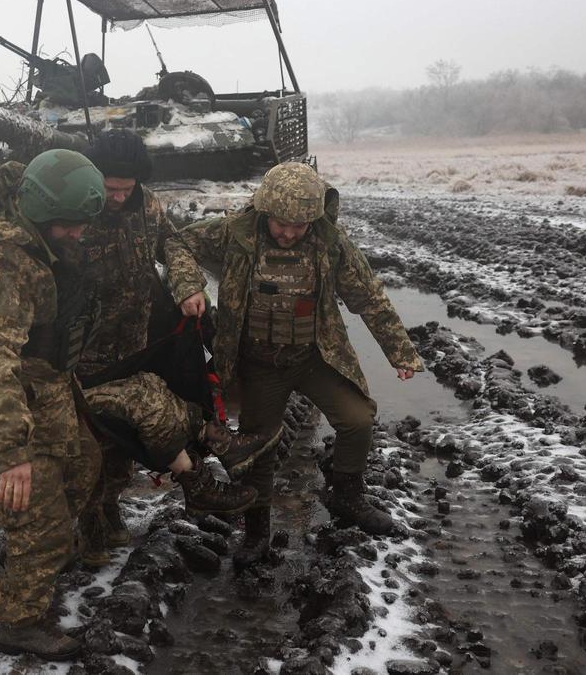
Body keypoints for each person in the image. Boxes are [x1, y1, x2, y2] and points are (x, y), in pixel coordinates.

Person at [182, 163, 424, 564]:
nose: (290, 233)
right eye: (282, 224)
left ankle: (347, 496)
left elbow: (368, 296)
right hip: (259, 363)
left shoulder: (330, 242)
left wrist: (400, 351)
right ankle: (256, 530)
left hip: (314, 356)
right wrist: (188, 285)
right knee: (259, 446)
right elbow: (177, 243)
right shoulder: (233, 233)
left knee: (358, 419)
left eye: (300, 225)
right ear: (265, 210)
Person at [74, 130, 279, 561]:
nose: (116, 197)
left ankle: (109, 508)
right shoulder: (77, 210)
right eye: (109, 188)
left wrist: (187, 286)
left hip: (135, 342)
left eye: (124, 189)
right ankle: (89, 527)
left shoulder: (147, 205)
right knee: (91, 443)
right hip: (84, 352)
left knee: (123, 441)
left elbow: (173, 244)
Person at [0, 151, 104, 662]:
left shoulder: (39, 242)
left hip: (38, 392)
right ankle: (18, 622)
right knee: (41, 522)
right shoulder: (3, 264)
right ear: (43, 211)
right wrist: (11, 453)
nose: (78, 233)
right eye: (70, 224)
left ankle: (33, 556)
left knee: (85, 467)